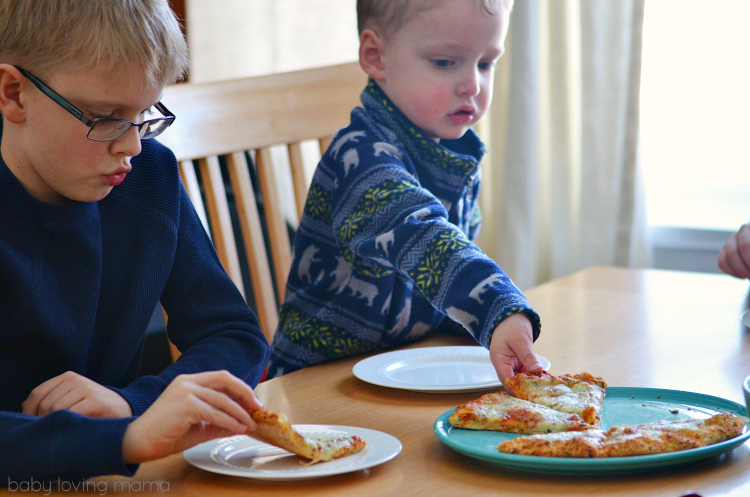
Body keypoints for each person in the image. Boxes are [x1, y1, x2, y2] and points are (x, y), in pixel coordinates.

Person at [0, 0, 269, 482]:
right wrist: (123, 438)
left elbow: (233, 336)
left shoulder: (148, 176)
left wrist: (133, 402)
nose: (133, 146)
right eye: (105, 116)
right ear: (14, 94)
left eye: (145, 112)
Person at [267, 0, 543, 384]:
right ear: (376, 56)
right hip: (316, 386)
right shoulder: (362, 158)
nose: (472, 85)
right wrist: (497, 306)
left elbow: (437, 288)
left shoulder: (454, 154)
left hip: (405, 367)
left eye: (485, 63)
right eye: (445, 63)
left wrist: (486, 327)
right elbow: (424, 236)